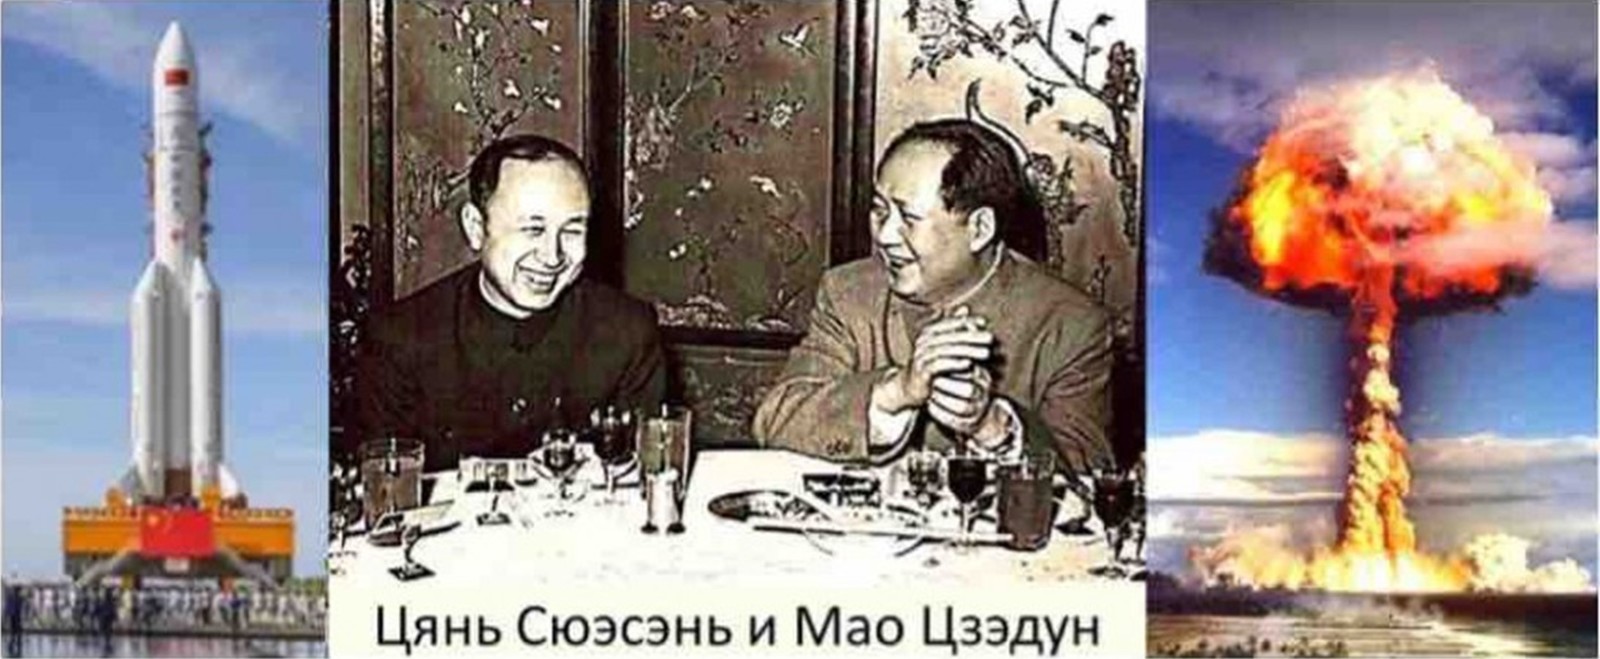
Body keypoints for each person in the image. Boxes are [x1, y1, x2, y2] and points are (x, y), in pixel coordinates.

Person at [752, 119, 1114, 475]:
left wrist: (991, 425)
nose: (885, 236)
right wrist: (896, 391)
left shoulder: (1071, 326)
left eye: (909, 218)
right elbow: (777, 421)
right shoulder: (849, 293)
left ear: (980, 229)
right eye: (880, 210)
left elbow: (1088, 472)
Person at [353, 134, 667, 471]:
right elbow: (387, 491)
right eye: (533, 230)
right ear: (476, 228)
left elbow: (639, 478)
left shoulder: (627, 331)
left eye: (572, 231)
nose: (552, 256)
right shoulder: (399, 339)